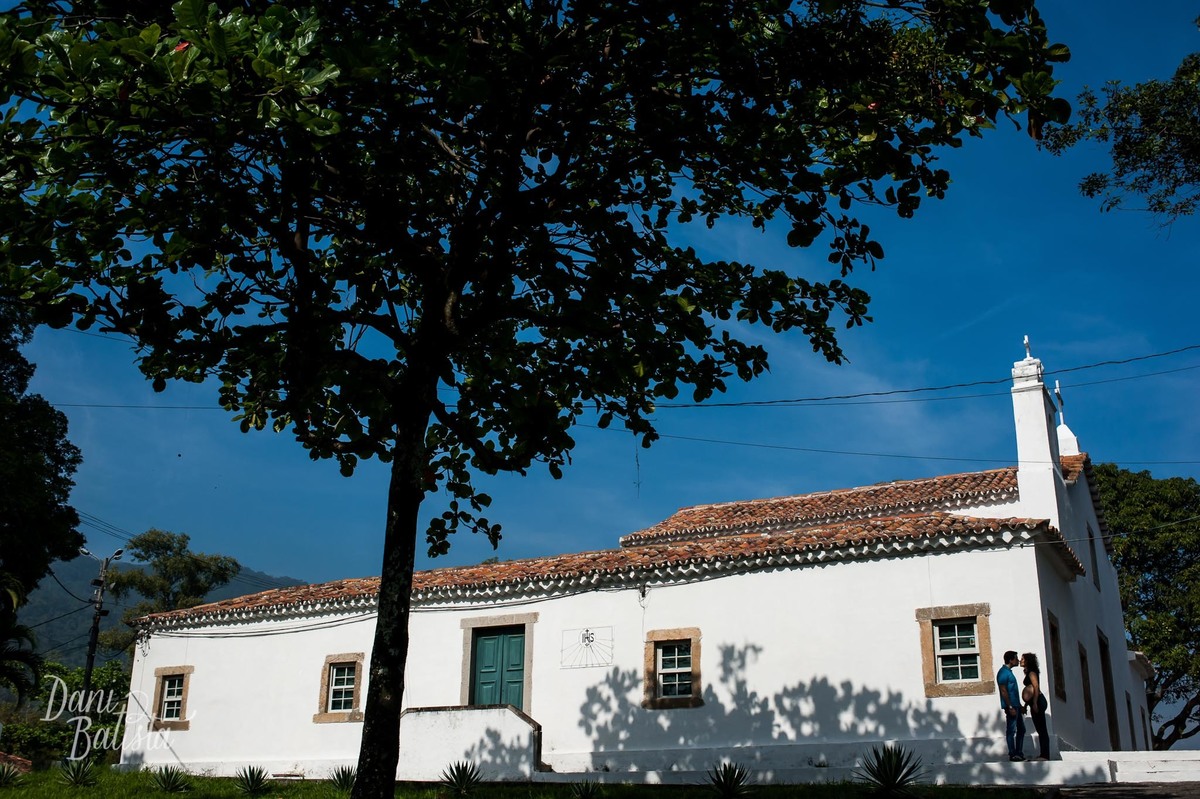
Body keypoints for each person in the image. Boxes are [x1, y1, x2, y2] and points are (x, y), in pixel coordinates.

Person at [997, 650, 1026, 761]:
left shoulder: (1009, 672)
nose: (1018, 660)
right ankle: (1012, 753)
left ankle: (1018, 752)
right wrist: (1009, 707)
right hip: (1011, 707)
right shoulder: (1003, 673)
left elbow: (1013, 691)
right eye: (1016, 658)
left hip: (1016, 705)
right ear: (1010, 660)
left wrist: (1020, 706)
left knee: (1021, 730)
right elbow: (1003, 691)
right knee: (1011, 730)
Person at [1022, 652, 1051, 760]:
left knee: (1042, 729)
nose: (1021, 660)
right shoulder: (1029, 672)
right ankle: (1043, 754)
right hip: (1034, 701)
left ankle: (1045, 755)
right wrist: (1026, 704)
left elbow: (1035, 687)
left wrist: (1034, 702)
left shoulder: (1032, 673)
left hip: (1038, 701)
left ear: (1028, 661)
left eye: (1023, 659)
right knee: (1040, 729)